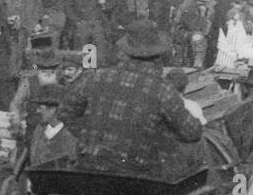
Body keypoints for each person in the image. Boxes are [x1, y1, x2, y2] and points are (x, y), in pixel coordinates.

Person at [59, 19, 203, 181]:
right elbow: (193, 132)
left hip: (88, 166)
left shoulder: (95, 77)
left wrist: (87, 134)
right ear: (159, 57)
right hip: (137, 175)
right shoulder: (163, 90)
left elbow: (65, 112)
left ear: (125, 53)